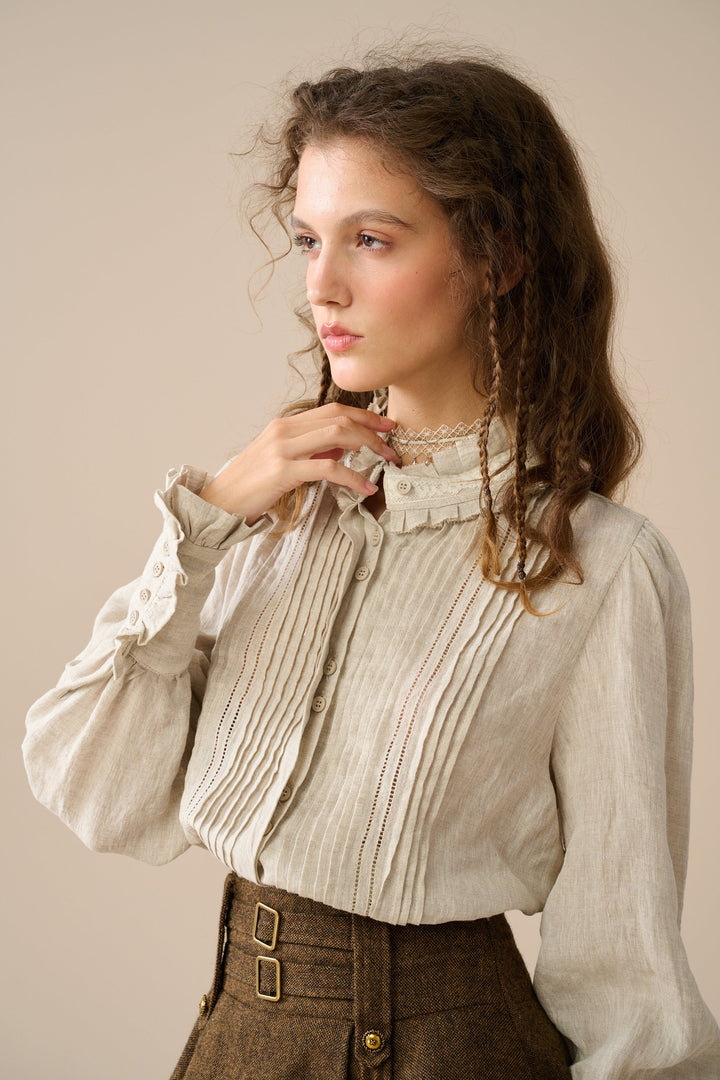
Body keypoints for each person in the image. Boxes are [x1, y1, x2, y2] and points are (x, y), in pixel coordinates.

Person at [22, 47, 720, 1079]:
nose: (322, 285)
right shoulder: (279, 514)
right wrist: (206, 525)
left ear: (498, 257)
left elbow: (623, 957)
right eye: (309, 239)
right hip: (238, 1041)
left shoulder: (601, 567)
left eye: (372, 239)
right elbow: (101, 790)